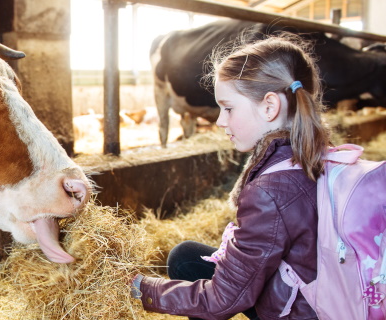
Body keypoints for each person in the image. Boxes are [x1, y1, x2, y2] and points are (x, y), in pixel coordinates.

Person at [129, 34, 331, 319]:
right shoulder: (314, 150)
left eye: (228, 108)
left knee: (193, 269)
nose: (220, 121)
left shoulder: (269, 191)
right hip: (321, 293)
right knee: (186, 257)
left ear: (270, 107)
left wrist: (140, 288)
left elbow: (222, 301)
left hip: (301, 311)